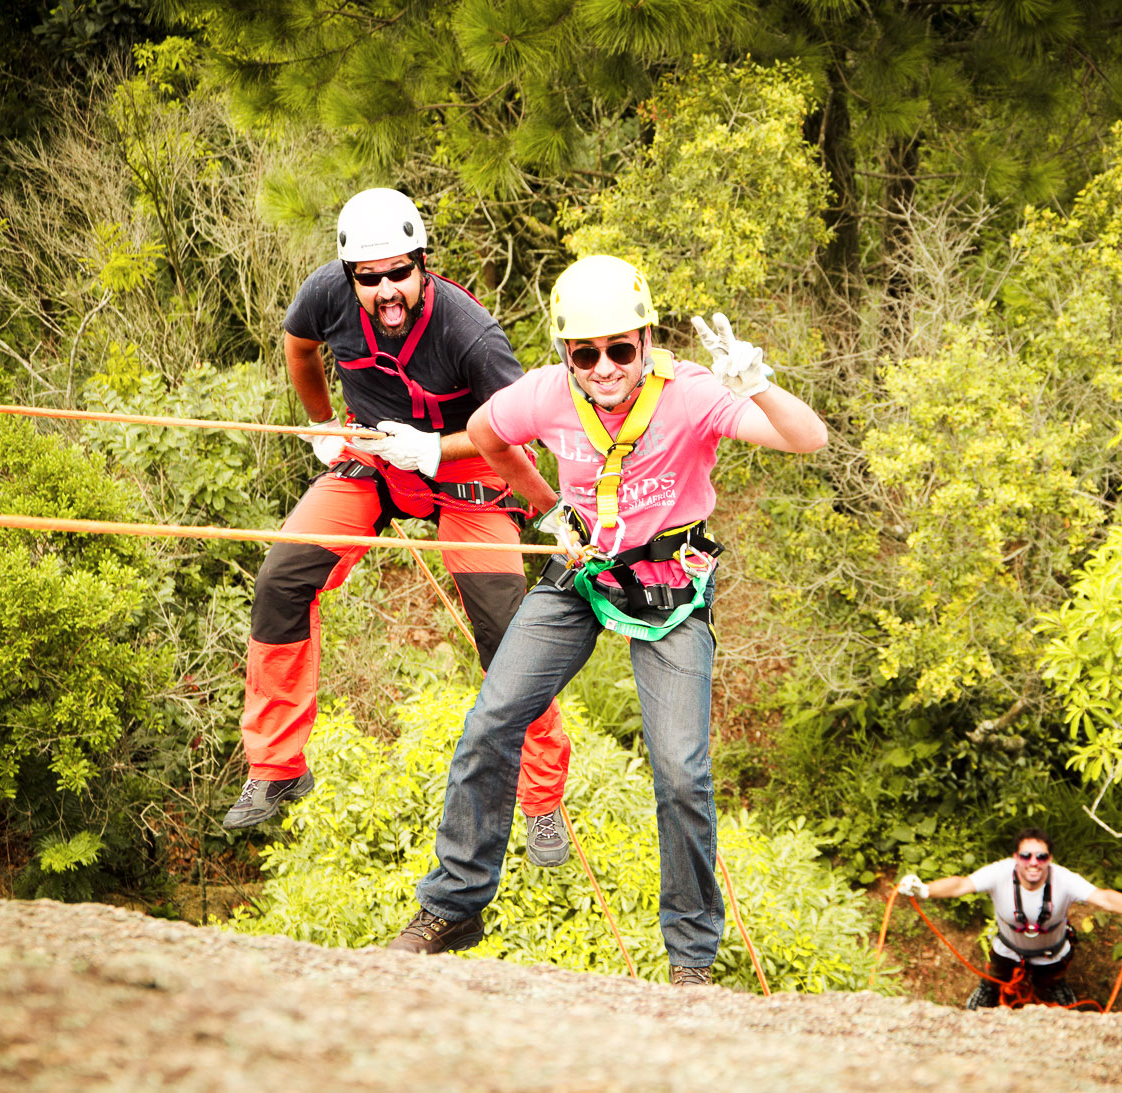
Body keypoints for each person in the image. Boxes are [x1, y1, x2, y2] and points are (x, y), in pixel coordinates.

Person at [384, 255, 827, 985]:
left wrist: (759, 386)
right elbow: (488, 433)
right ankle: (453, 905)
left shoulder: (690, 395)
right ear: (565, 354)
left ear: (646, 339)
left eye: (620, 348)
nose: (604, 366)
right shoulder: (549, 393)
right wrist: (547, 506)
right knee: (491, 719)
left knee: (682, 772)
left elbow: (806, 439)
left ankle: (690, 959)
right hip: (584, 576)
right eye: (584, 352)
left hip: (668, 585)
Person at [222, 188, 574, 871]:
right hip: (374, 460)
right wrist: (325, 423)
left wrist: (444, 451)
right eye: (369, 277)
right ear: (350, 275)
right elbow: (298, 346)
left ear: (422, 266)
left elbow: (518, 427)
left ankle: (542, 800)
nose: (385, 290)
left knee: (508, 632)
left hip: (467, 474)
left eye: (398, 274)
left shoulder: (467, 332)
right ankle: (277, 765)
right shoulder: (327, 293)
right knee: (281, 582)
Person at [896, 827, 1122, 1007]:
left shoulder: (1064, 879)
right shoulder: (999, 873)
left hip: (1051, 952)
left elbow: (1103, 897)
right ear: (1015, 857)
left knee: (1050, 978)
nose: (1033, 862)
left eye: (1041, 857)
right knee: (997, 973)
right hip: (1007, 947)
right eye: (1026, 856)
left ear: (1050, 859)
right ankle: (990, 989)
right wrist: (926, 890)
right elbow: (961, 884)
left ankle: (1052, 988)